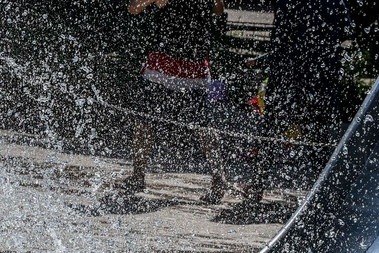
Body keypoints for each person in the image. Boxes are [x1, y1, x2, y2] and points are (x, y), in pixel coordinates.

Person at [103, 0, 227, 210]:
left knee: (146, 123)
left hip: (170, 67)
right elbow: (218, 10)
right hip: (187, 67)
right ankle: (218, 178)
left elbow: (133, 8)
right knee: (201, 126)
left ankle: (138, 176)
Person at [238, 0, 351, 207]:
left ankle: (257, 187)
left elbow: (280, 38)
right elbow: (346, 32)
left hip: (287, 79)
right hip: (318, 79)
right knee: (316, 136)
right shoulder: (334, 2)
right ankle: (324, 193)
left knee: (271, 134)